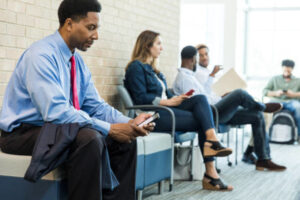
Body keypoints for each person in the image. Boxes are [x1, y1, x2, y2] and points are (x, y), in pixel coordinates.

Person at [0, 1, 155, 200]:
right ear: (69, 24)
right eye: (91, 28)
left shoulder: (77, 62)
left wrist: (129, 123)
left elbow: (95, 106)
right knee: (89, 138)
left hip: (56, 129)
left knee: (124, 142)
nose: (96, 36)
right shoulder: (41, 55)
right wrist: (110, 128)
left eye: (96, 28)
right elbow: (56, 112)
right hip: (22, 133)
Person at [124, 30, 234, 191]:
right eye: (158, 44)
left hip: (164, 110)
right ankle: (211, 173)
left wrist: (178, 98)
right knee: (203, 121)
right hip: (151, 116)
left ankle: (211, 143)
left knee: (201, 99)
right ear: (147, 46)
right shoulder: (136, 67)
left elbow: (164, 94)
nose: (162, 48)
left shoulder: (155, 71)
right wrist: (167, 101)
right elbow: (140, 98)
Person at [173, 45, 286, 171]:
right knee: (239, 93)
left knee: (257, 116)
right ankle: (262, 106)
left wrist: (223, 98)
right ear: (193, 59)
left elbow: (205, 94)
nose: (203, 58)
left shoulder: (190, 77)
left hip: (217, 109)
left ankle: (263, 159)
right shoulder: (185, 78)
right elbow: (199, 103)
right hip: (211, 113)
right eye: (199, 56)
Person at [263, 59, 300, 138]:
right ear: (282, 68)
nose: (286, 72)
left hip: (292, 101)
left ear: (292, 69)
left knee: (298, 108)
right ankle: (265, 135)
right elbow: (264, 91)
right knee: (266, 108)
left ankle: (298, 136)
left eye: (288, 71)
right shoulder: (274, 79)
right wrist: (276, 93)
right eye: (285, 70)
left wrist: (293, 94)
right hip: (276, 100)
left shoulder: (298, 80)